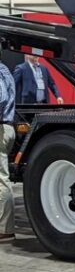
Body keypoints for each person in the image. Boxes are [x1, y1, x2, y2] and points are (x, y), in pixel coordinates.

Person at [0, 60, 15, 242]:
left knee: (1, 179)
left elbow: (1, 97)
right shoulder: (5, 69)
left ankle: (5, 229)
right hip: (7, 126)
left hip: (1, 127)